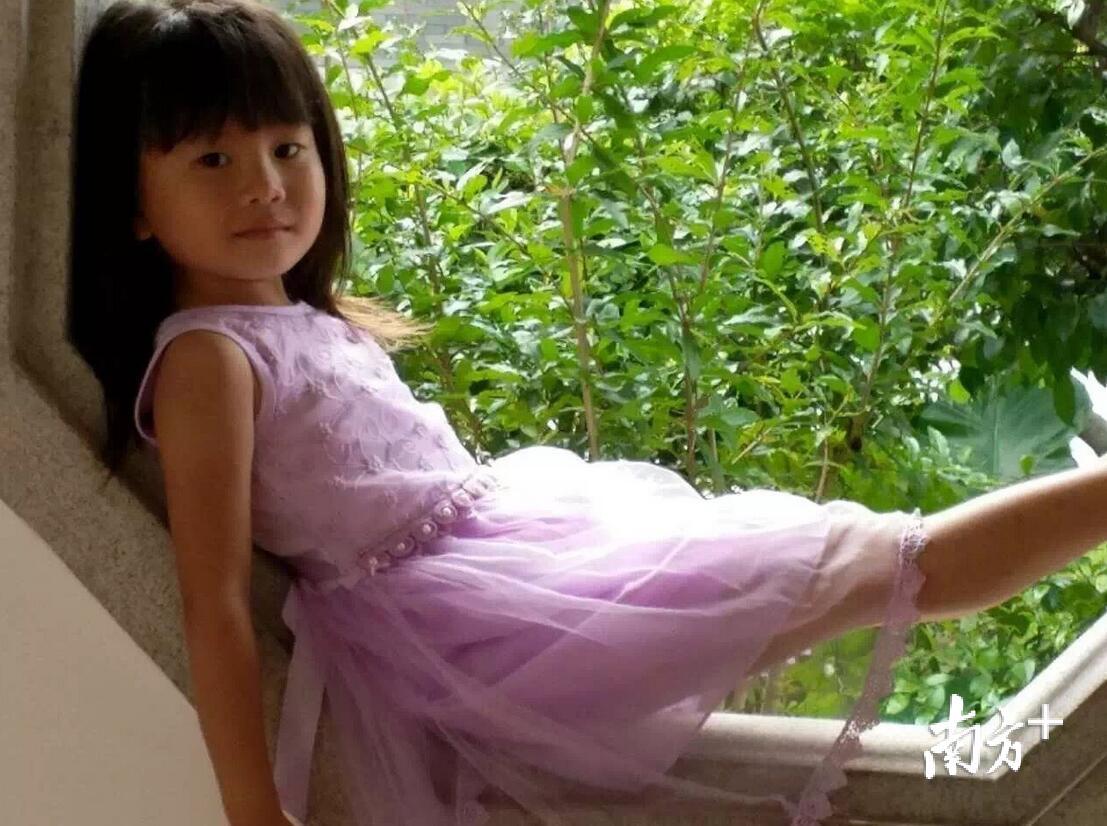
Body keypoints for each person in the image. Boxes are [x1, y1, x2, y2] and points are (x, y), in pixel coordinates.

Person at [65, 1, 1107, 824]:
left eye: (288, 149)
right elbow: (212, 599)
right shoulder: (208, 361)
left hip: (514, 555)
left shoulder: (299, 319)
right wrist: (254, 812)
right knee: (878, 561)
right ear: (132, 203)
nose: (264, 186)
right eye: (212, 160)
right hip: (478, 631)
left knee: (861, 562)